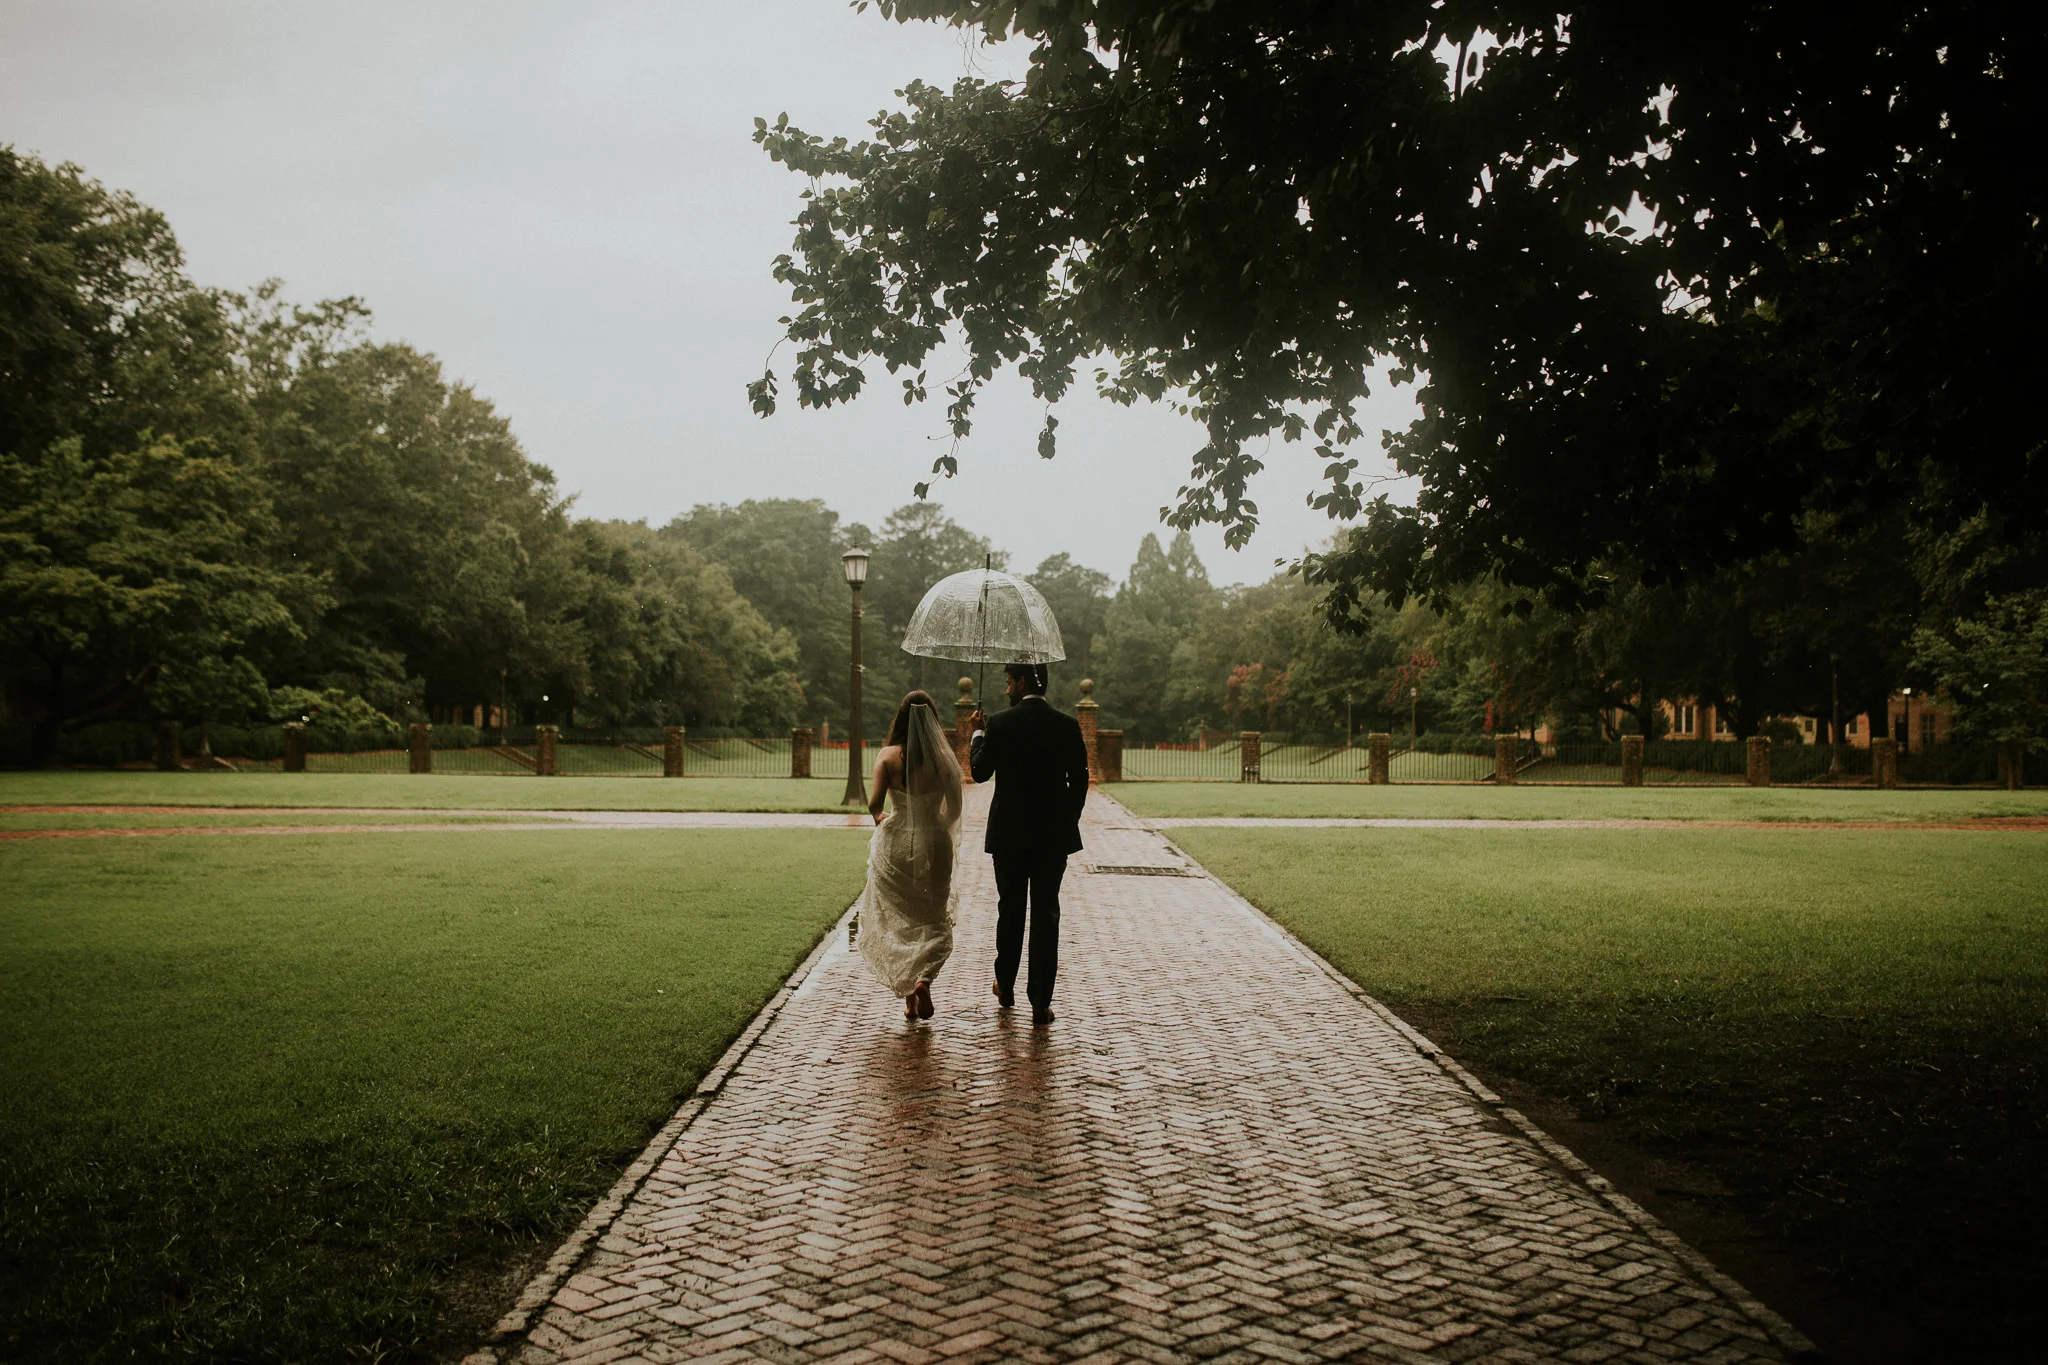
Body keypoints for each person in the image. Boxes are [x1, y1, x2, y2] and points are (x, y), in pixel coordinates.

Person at [969, 662, 1091, 1027]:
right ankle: (1041, 1002)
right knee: (1045, 915)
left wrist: (976, 734)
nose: (1006, 690)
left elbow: (979, 772)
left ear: (1022, 683)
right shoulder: (1067, 726)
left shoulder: (1001, 724)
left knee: (1010, 911)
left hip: (1008, 836)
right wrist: (1067, 819)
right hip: (1052, 838)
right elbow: (1081, 781)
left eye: (1008, 683)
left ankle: (1004, 985)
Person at [857, 691, 964, 1021]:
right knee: (933, 918)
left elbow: (875, 804)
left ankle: (909, 995)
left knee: (897, 920)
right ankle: (923, 979)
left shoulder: (888, 756)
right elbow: (955, 808)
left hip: (897, 846)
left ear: (900, 718)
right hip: (934, 844)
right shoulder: (943, 759)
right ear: (932, 720)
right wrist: (936, 827)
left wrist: (883, 818)